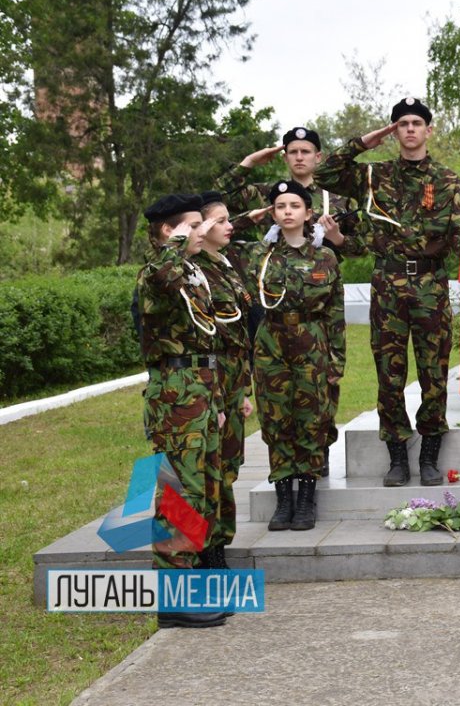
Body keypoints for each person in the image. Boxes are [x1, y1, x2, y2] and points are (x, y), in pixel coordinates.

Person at [315, 98, 460, 487]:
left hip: (431, 286)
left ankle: (430, 453)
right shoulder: (373, 176)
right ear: (394, 131)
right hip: (388, 286)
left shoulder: (448, 180)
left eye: (417, 123)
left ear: (429, 130)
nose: (410, 129)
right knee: (389, 374)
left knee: (434, 373)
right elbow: (326, 173)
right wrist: (367, 140)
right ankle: (397, 455)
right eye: (402, 124)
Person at [218, 127, 362, 476]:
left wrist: (336, 238)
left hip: (319, 294)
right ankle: (289, 475)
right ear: (285, 156)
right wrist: (250, 162)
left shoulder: (336, 199)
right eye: (292, 151)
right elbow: (223, 199)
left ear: (318, 156)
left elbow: (359, 246)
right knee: (279, 405)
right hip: (276, 296)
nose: (299, 157)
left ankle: (317, 455)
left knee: (318, 400)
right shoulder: (273, 195)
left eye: (306, 151)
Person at [137, 192, 225, 629]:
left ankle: (191, 583)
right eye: (194, 225)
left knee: (203, 486)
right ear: (167, 232)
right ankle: (172, 598)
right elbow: (159, 272)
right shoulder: (157, 272)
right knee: (178, 491)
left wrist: (220, 400)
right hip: (175, 392)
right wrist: (182, 237)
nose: (204, 230)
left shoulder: (192, 273)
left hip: (200, 390)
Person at [243, 181, 344, 530]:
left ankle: (306, 500)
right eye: (280, 206)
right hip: (271, 342)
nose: (287, 211)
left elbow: (335, 311)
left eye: (294, 205)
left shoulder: (325, 256)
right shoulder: (260, 254)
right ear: (272, 213)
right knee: (275, 419)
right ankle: (283, 499)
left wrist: (336, 361)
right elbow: (218, 244)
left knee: (312, 419)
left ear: (308, 212)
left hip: (312, 341)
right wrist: (247, 218)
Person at [192, 191, 254, 568]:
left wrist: (241, 389)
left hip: (230, 382)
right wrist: (212, 398)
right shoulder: (190, 270)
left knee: (226, 468)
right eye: (220, 220)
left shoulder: (225, 264)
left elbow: (236, 333)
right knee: (201, 472)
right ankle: (198, 554)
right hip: (202, 383)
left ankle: (217, 547)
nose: (229, 225)